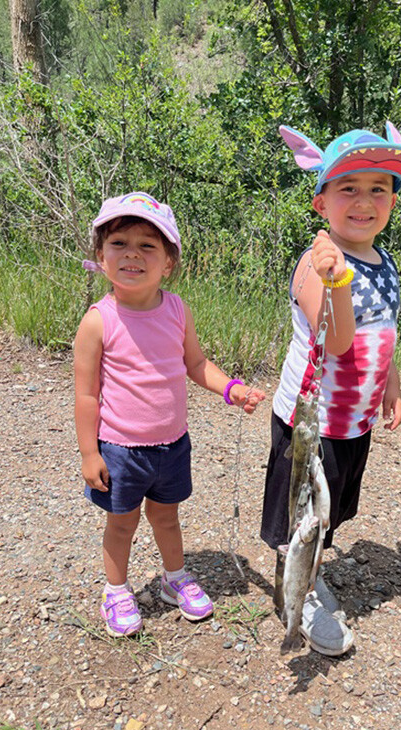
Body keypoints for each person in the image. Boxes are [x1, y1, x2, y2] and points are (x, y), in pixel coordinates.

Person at [74, 192, 265, 637]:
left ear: (168, 263)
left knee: (167, 517)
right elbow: (86, 394)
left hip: (172, 444)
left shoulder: (177, 309)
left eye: (148, 246)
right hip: (121, 449)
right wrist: (89, 453)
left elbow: (195, 364)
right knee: (122, 524)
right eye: (119, 243)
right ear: (101, 256)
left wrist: (231, 388)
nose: (133, 255)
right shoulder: (98, 320)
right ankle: (117, 590)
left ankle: (173, 578)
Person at [261, 123, 401, 656]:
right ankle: (296, 588)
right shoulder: (318, 265)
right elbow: (338, 339)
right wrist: (336, 282)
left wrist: (391, 386)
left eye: (379, 188)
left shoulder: (386, 263)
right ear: (320, 202)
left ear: (393, 201)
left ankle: (312, 566)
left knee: (330, 512)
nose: (364, 201)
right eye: (348, 188)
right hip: (312, 425)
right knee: (302, 511)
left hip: (353, 422)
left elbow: (384, 334)